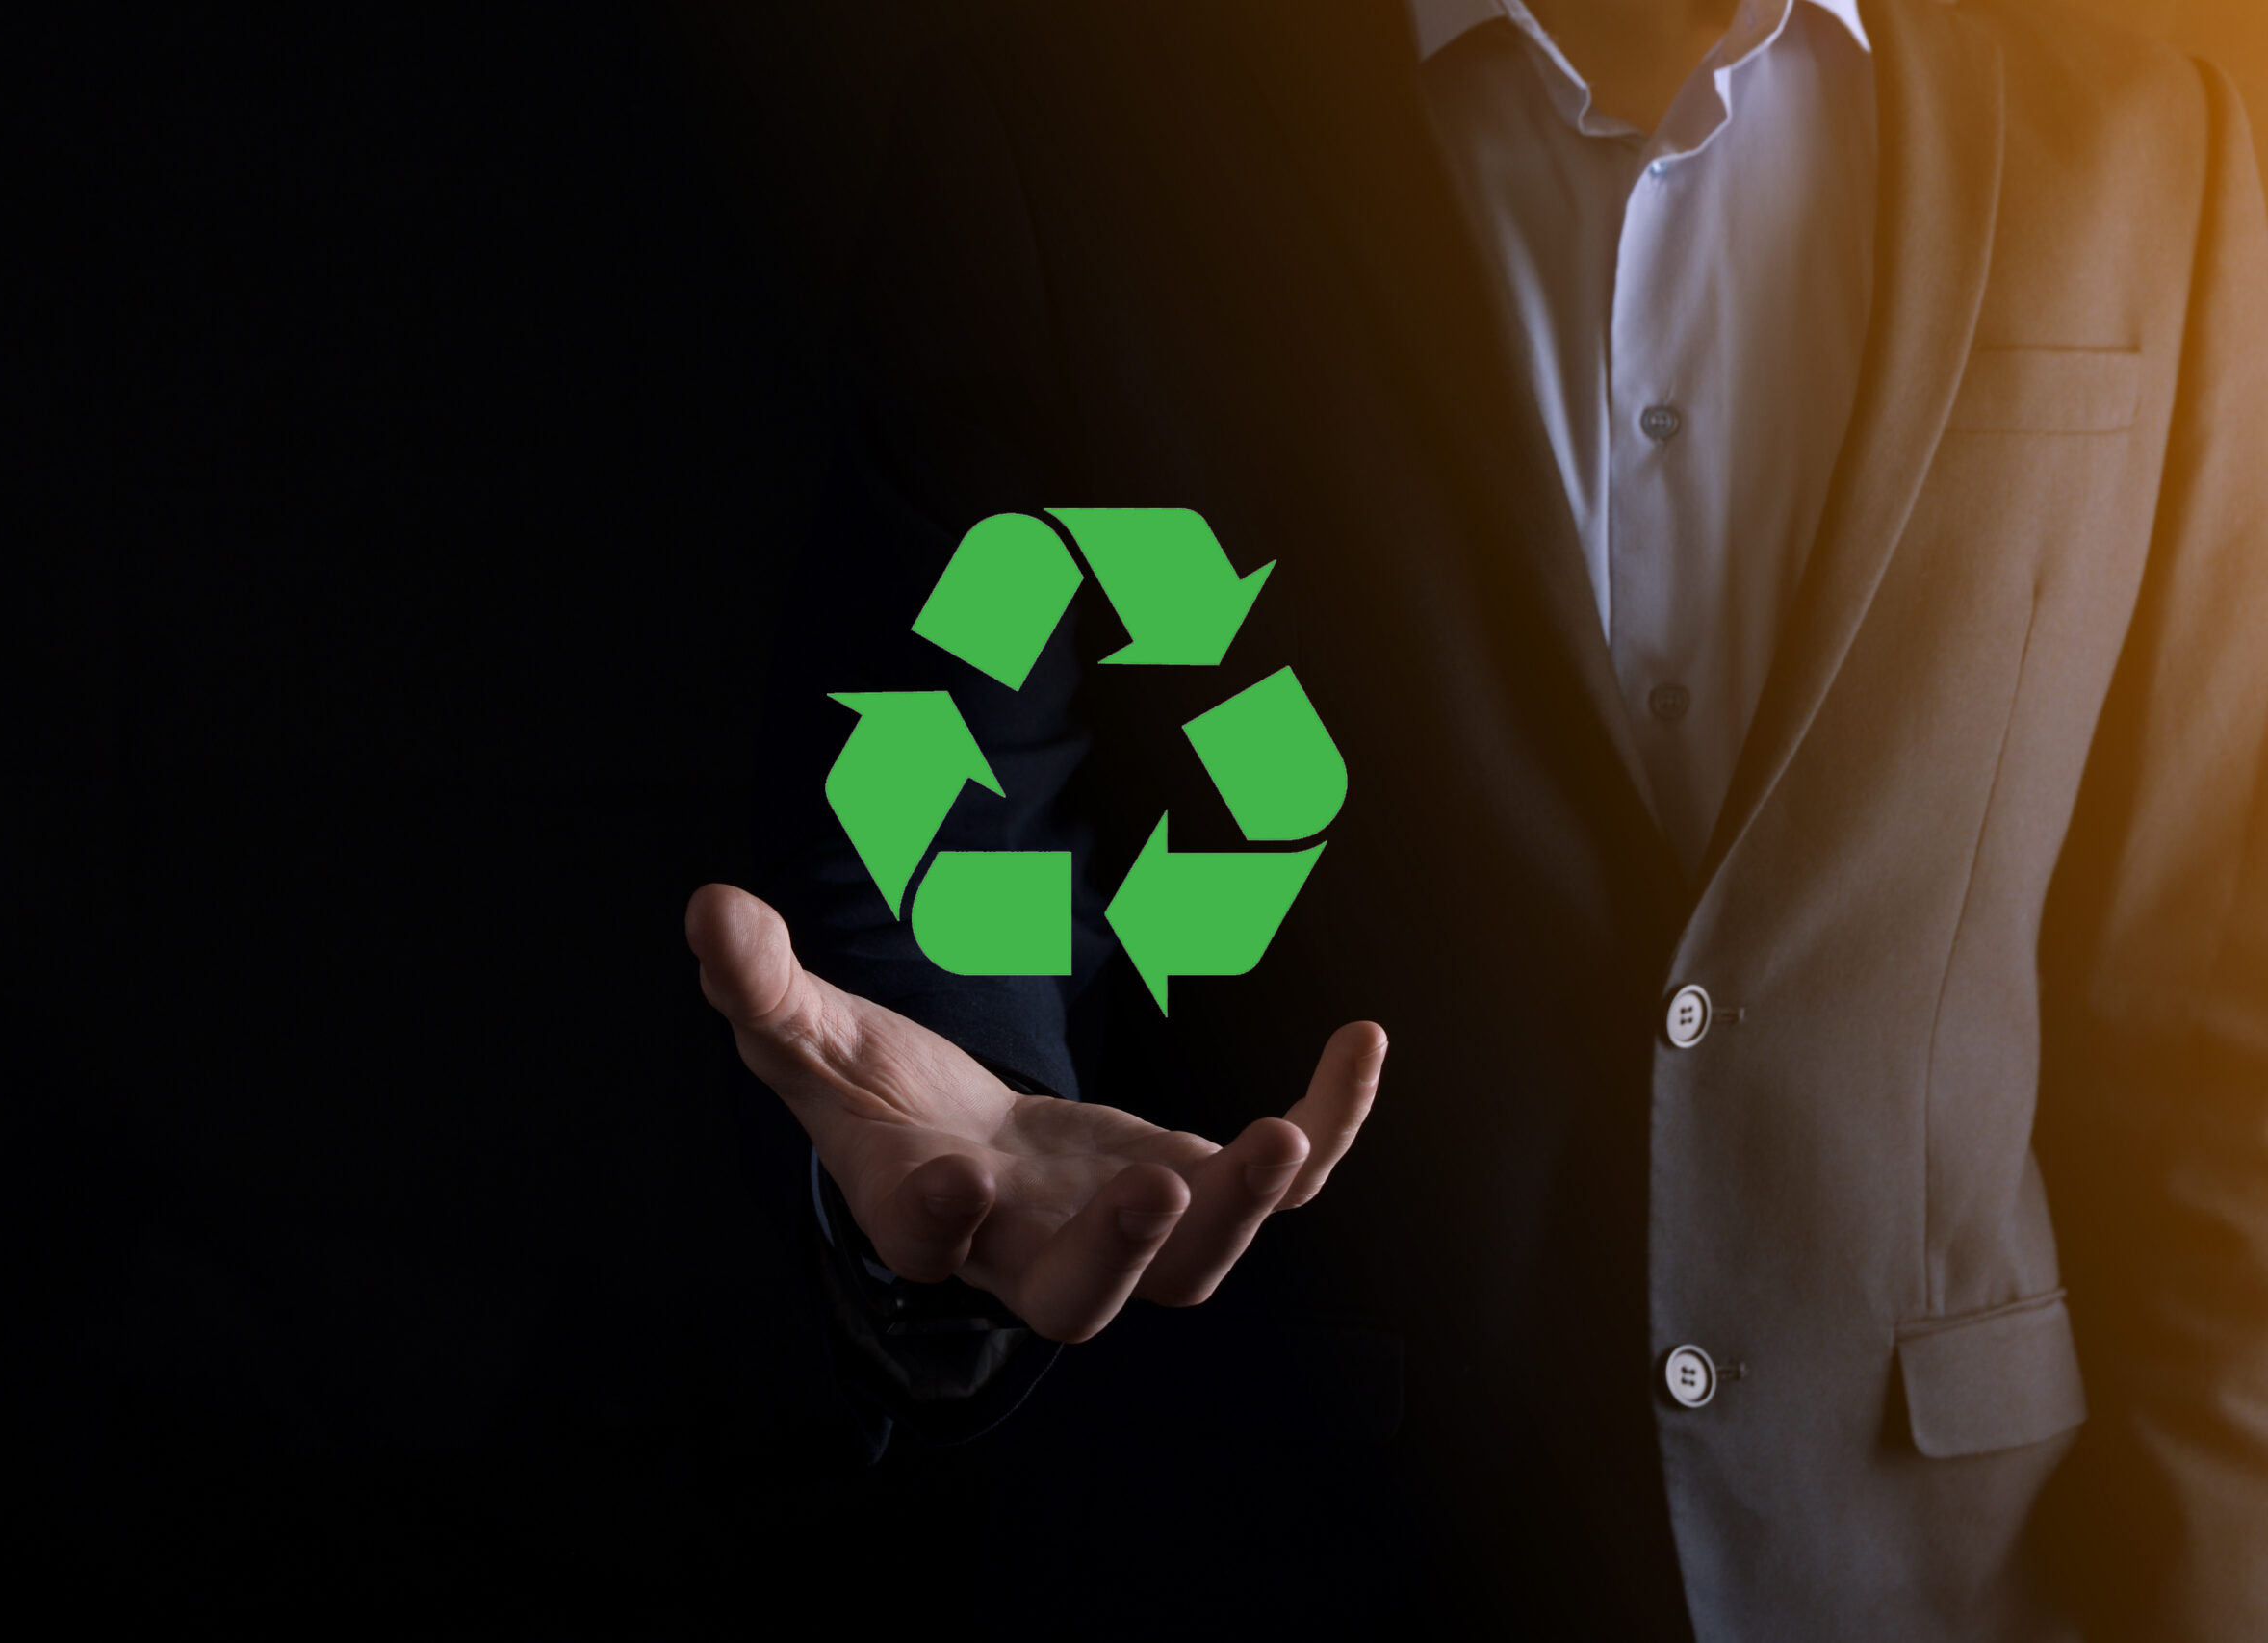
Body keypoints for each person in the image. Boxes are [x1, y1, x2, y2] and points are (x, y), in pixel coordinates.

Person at [686, 0, 2268, 1633]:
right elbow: (948, 812)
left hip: (1953, 1581)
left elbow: (2218, 1002)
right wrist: (976, 1154)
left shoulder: (2160, 151)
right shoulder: (1081, 131)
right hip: (1316, 1548)